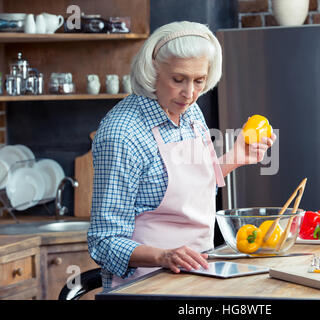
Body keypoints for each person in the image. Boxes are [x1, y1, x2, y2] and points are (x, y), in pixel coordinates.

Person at [87, 21, 276, 289]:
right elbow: (103, 242)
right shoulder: (122, 133)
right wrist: (162, 256)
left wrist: (235, 157)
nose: (189, 93)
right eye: (178, 79)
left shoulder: (189, 111)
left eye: (199, 81)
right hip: (144, 286)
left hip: (199, 273)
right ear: (153, 71)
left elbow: (190, 187)